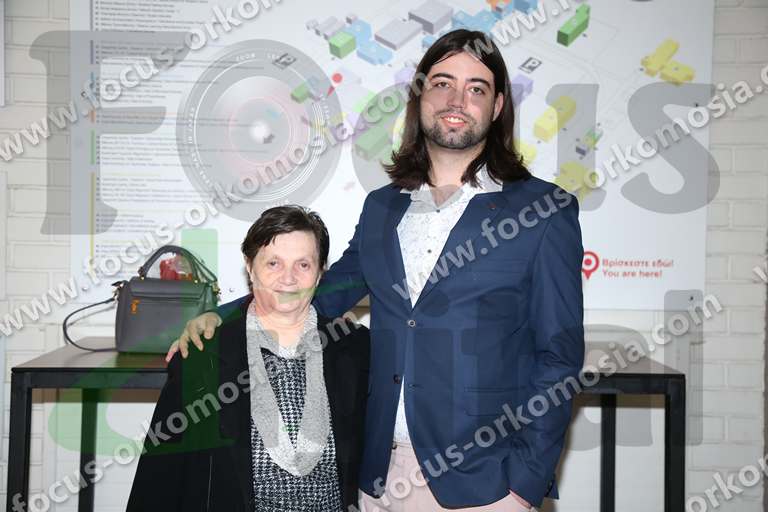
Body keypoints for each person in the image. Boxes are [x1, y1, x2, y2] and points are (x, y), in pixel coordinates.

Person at [168, 29, 584, 511]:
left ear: (497, 107)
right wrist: (222, 317)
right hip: (379, 480)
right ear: (420, 96)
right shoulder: (383, 208)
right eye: (442, 83)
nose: (456, 100)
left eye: (476, 88)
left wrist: (524, 484)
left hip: (484, 485)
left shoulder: (542, 211)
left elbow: (559, 358)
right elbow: (320, 294)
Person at [128, 206, 370, 511]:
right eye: (273, 263)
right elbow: (159, 479)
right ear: (250, 267)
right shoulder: (203, 354)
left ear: (321, 272)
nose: (289, 278)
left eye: (303, 264)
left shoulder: (355, 349)